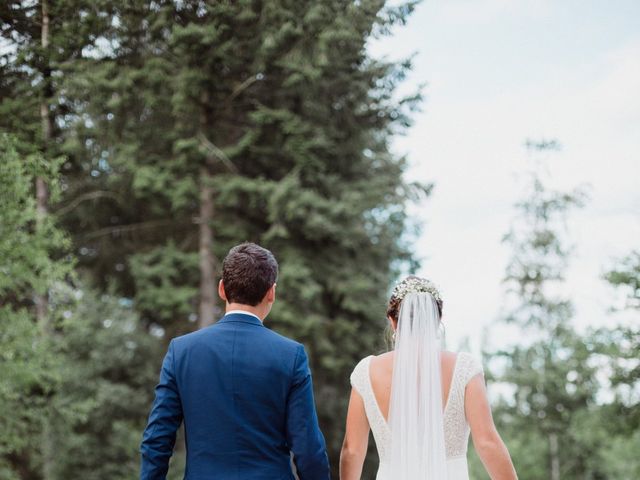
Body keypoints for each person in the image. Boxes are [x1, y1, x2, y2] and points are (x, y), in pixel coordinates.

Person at [140, 242, 330, 480]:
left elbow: (157, 440)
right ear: (271, 292)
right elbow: (309, 450)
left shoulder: (182, 351)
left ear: (222, 289)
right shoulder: (290, 355)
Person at [339, 276, 517, 479]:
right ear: (438, 318)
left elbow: (352, 450)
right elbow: (487, 442)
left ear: (392, 321)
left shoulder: (367, 371)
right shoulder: (464, 368)